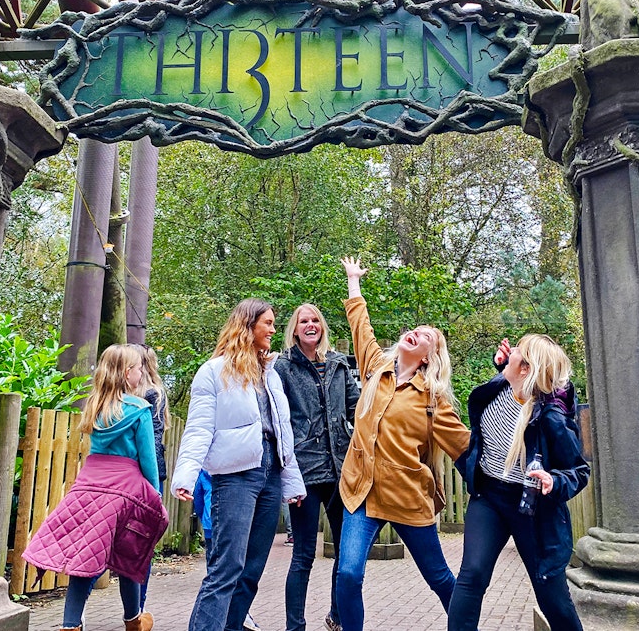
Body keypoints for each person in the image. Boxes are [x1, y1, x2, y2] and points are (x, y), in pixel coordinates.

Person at [335, 257, 471, 631]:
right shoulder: (376, 368)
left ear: (429, 356)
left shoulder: (433, 399)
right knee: (348, 574)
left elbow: (464, 446)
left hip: (408, 497)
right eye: (415, 329)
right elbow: (360, 325)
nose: (415, 333)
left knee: (439, 577)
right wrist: (353, 281)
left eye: (425, 336)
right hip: (361, 492)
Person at [172, 298, 306, 631]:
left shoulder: (270, 373)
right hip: (235, 477)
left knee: (252, 570)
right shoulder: (213, 371)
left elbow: (282, 432)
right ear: (248, 325)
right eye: (268, 323)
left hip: (271, 474)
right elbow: (199, 427)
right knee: (227, 567)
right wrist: (186, 474)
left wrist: (292, 482)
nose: (273, 330)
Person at [448, 335, 590, 631]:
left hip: (532, 508)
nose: (509, 350)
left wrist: (554, 480)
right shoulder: (500, 387)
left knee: (551, 596)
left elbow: (578, 471)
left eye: (517, 351)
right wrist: (504, 366)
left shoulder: (551, 417)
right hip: (489, 497)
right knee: (472, 575)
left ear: (525, 368)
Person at [23, 344, 168, 631]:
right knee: (129, 554)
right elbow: (148, 460)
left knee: (86, 556)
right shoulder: (139, 410)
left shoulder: (96, 407)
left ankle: (70, 625)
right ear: (127, 373)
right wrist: (155, 495)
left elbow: (96, 452)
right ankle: (133, 620)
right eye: (138, 369)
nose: (142, 373)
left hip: (89, 486)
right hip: (125, 490)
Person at [275, 303, 361, 631]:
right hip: (305, 472)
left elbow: (356, 409)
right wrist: (285, 469)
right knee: (303, 555)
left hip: (340, 471)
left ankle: (337, 617)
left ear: (322, 326)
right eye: (303, 321)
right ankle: (294, 626)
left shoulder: (338, 363)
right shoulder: (284, 367)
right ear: (295, 330)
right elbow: (277, 418)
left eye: (315, 320)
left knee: (345, 552)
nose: (310, 325)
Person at [193, 469, 264, 631]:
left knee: (216, 568)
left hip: (211, 525)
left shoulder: (204, 473)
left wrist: (203, 518)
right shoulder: (229, 475)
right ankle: (231, 614)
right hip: (229, 524)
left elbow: (198, 499)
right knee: (226, 571)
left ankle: (233, 614)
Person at [137, 344, 170, 611]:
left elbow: (153, 438)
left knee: (142, 540)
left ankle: (138, 606)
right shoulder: (154, 393)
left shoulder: (150, 394)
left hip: (145, 471)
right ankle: (137, 607)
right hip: (147, 472)